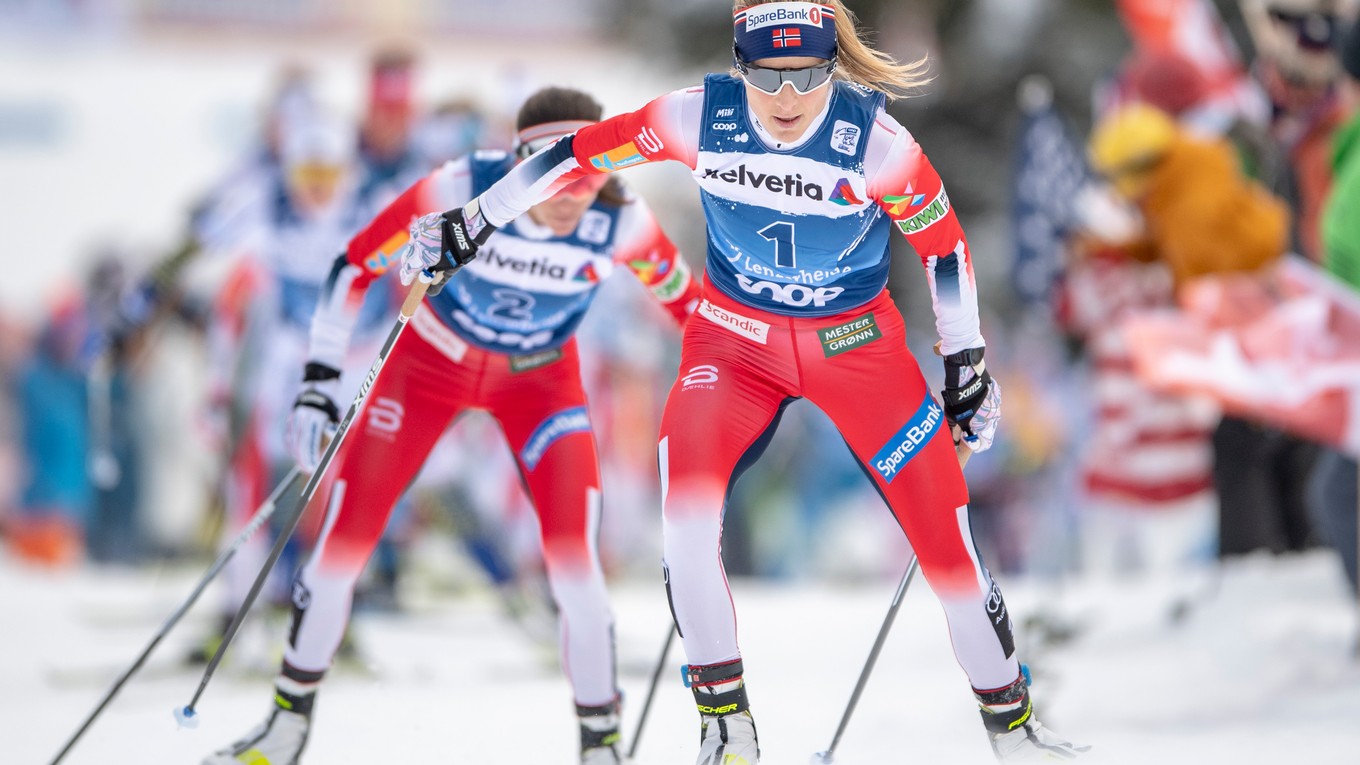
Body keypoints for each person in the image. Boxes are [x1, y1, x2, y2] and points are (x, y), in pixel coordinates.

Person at [398, 2, 1086, 761]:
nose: (788, 100)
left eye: (808, 78)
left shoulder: (879, 144)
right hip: (734, 346)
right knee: (687, 522)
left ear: (833, 67)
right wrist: (473, 222)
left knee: (948, 548)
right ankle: (727, 729)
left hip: (855, 347)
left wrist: (967, 362)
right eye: (766, 78)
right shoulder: (696, 118)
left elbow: (944, 247)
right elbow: (575, 157)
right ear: (739, 67)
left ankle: (1015, 729)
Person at [202, 86, 699, 765]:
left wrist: (727, 392)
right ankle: (284, 728)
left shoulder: (622, 221)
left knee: (577, 572)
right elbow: (352, 267)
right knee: (340, 553)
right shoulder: (464, 185)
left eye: (591, 170)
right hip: (428, 370)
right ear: (521, 162)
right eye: (552, 170)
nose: (572, 191)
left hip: (540, 384)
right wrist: (318, 383)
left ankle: (600, 748)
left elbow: (692, 312)